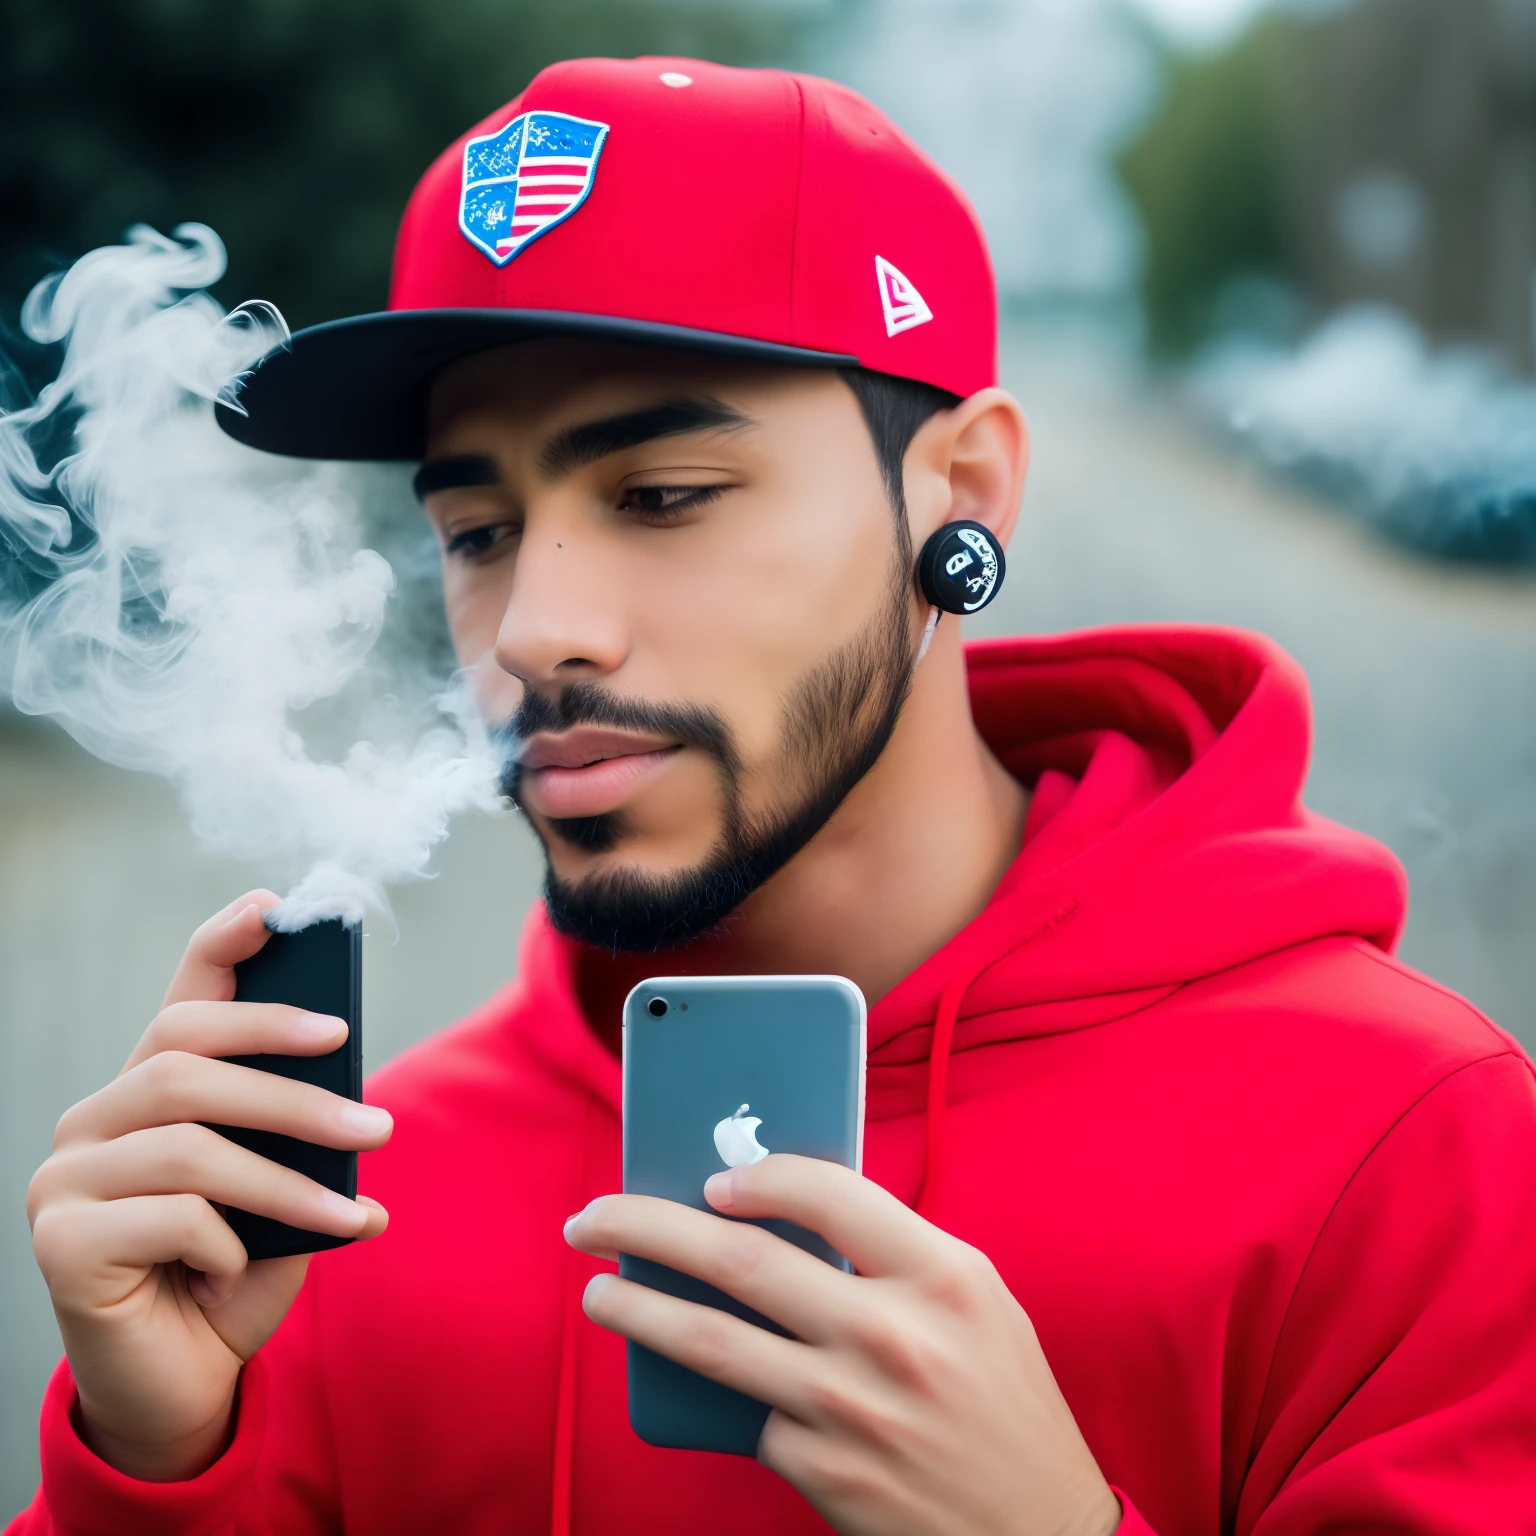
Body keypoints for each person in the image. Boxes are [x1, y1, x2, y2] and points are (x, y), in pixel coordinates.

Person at [13, 54, 1536, 1536]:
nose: (537, 628)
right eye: (476, 529)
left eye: (663, 497)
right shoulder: (350, 1208)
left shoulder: (1414, 1153)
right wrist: (153, 1476)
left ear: (963, 496)